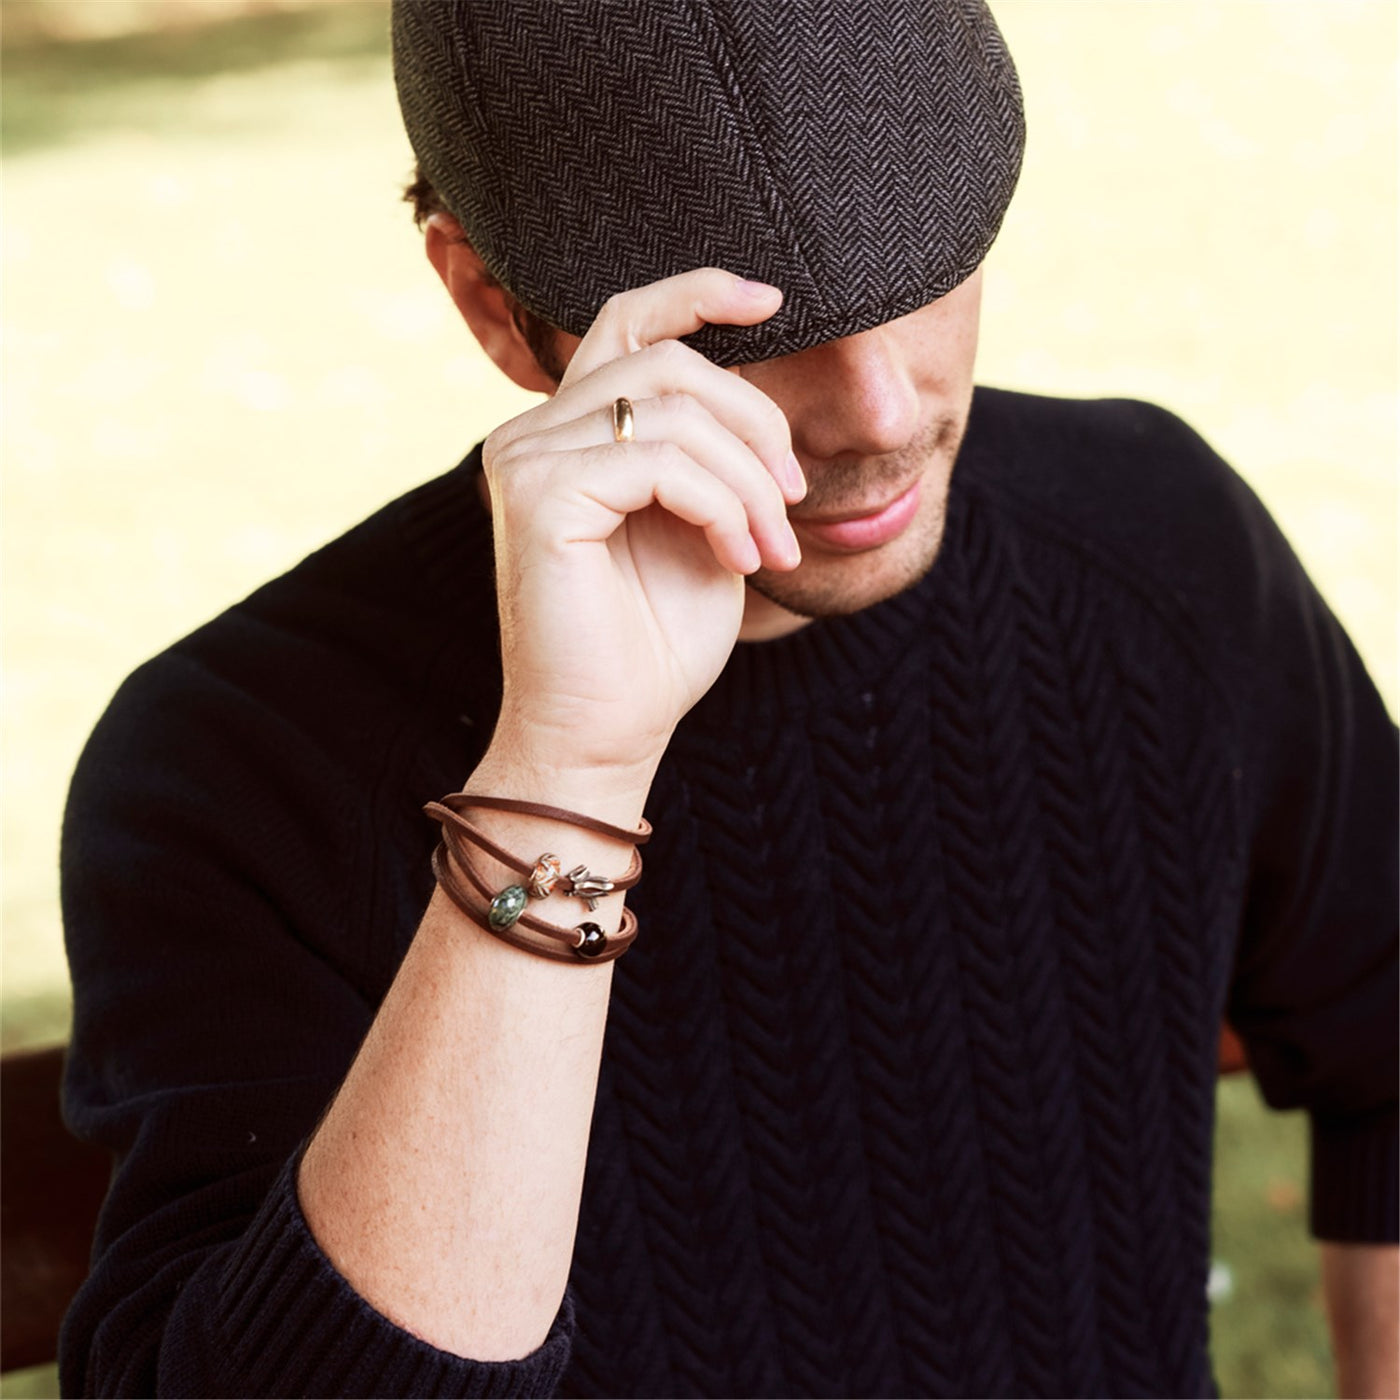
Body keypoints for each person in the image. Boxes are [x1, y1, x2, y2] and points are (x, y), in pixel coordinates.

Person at [58, 2, 1396, 1396]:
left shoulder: (1151, 549)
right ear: (495, 309)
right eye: (752, 327)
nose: (882, 413)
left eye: (920, 263)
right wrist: (568, 765)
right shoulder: (234, 763)